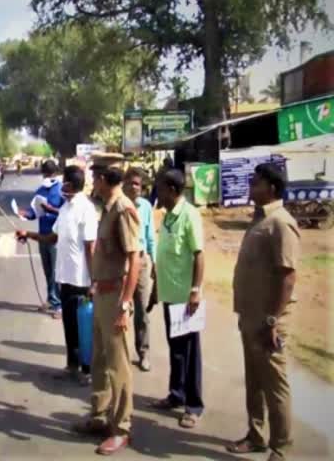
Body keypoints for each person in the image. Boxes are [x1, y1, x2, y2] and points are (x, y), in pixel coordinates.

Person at [227, 164, 299, 461]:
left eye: (255, 183)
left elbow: (288, 276)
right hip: (250, 317)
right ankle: (255, 436)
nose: (250, 187)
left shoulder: (281, 223)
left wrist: (272, 319)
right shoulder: (260, 219)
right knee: (254, 381)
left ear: (270, 187)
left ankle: (280, 449)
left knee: (274, 387)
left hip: (270, 322)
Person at [75, 164, 140, 456]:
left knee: (118, 366)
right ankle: (99, 415)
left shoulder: (123, 209)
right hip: (102, 293)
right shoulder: (108, 207)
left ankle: (122, 427)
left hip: (116, 297)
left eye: (94, 179)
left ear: (102, 180)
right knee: (99, 359)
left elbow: (134, 261)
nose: (92, 183)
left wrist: (125, 304)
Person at [17, 166, 97, 385]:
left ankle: (87, 369)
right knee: (69, 325)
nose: (62, 186)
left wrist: (94, 281)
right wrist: (30, 235)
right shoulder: (65, 209)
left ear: (71, 185)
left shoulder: (86, 209)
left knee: (83, 327)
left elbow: (91, 247)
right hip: (65, 277)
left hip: (81, 279)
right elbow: (53, 237)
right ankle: (72, 365)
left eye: (65, 183)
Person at [149, 169, 205, 429]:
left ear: (171, 190)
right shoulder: (168, 215)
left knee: (190, 353)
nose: (156, 192)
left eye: (159, 188)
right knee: (176, 351)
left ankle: (193, 406)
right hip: (170, 295)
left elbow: (199, 255)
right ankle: (176, 394)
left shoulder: (189, 215)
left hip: (186, 296)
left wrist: (196, 289)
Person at [19, 160, 64, 317]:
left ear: (56, 173)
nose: (48, 176)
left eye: (50, 173)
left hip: (56, 237)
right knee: (47, 271)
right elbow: (34, 212)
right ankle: (52, 299)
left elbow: (65, 213)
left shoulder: (61, 190)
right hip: (42, 235)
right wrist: (26, 214)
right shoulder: (40, 191)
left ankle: (59, 306)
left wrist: (50, 209)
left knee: (56, 272)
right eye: (46, 173)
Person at [123, 167, 156, 372]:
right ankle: (122, 353)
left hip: (141, 260)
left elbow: (150, 236)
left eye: (138, 184)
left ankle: (143, 352)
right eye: (131, 183)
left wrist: (155, 263)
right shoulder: (119, 205)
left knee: (142, 310)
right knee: (123, 308)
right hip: (123, 262)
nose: (135, 187)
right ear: (124, 184)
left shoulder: (145, 206)